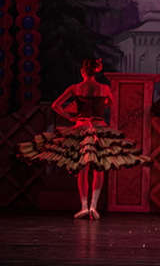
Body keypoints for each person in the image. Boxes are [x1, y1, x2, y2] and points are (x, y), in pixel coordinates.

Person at [18, 58, 152, 220]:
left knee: (82, 169)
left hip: (81, 127)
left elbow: (55, 105)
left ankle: (83, 206)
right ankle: (93, 206)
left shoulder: (76, 88)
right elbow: (110, 102)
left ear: (83, 71)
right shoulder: (104, 88)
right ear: (97, 71)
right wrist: (101, 106)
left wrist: (70, 116)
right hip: (99, 128)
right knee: (98, 168)